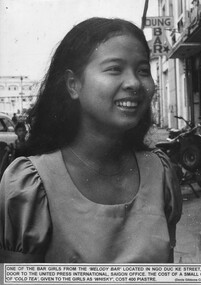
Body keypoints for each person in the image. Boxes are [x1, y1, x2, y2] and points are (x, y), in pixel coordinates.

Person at [0, 17, 182, 263]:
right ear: (73, 85)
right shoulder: (31, 185)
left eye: (142, 70)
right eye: (114, 69)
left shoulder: (161, 173)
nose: (134, 83)